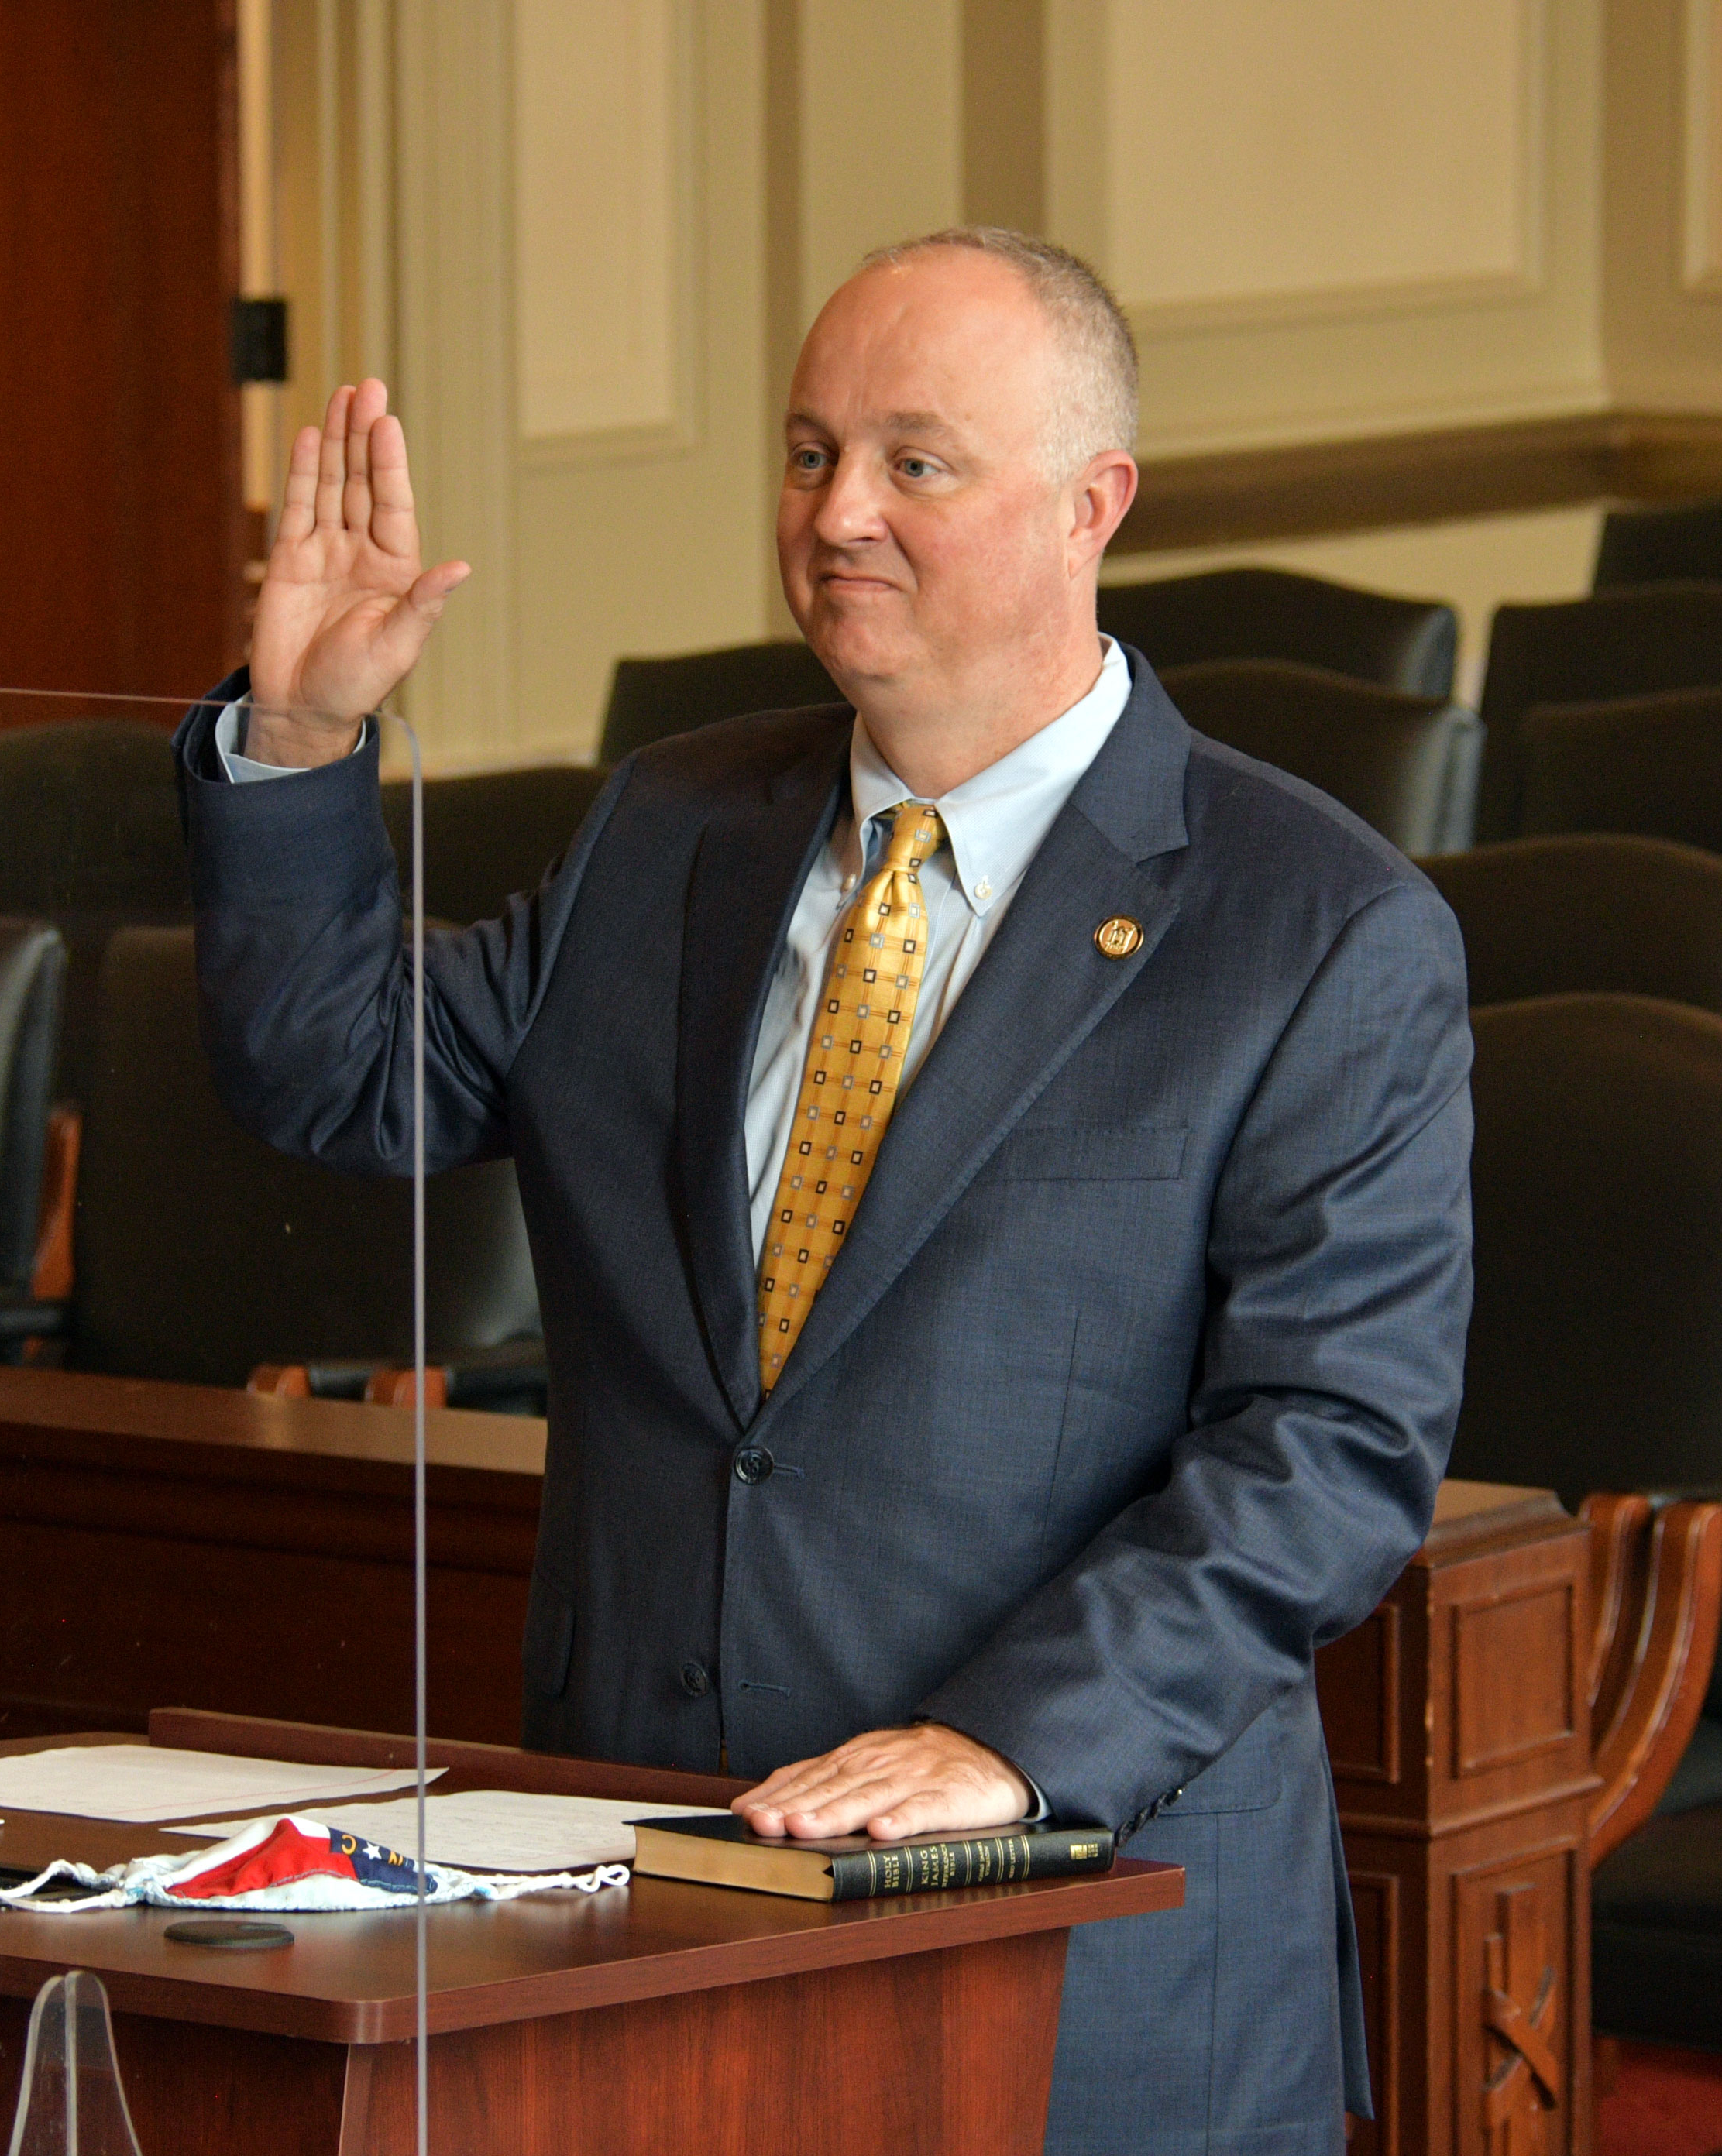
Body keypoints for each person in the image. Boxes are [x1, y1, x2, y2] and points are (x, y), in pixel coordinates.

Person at [175, 228, 1470, 2154]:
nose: (839, 513)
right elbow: (340, 1079)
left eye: (914, 463)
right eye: (806, 452)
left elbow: (1332, 1446)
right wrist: (299, 737)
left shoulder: (1317, 925)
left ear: (1089, 507)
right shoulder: (672, 821)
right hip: (646, 1888)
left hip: (1071, 1936)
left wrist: (1015, 1748)